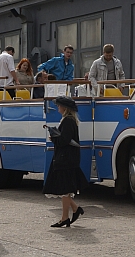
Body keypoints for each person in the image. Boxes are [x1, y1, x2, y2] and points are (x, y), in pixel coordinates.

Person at [42, 96, 88, 227]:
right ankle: (74, 210)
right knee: (65, 188)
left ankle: (64, 218)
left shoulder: (68, 121)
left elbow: (64, 140)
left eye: (59, 105)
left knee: (65, 189)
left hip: (66, 158)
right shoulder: (70, 120)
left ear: (65, 108)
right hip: (68, 158)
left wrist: (53, 138)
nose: (57, 107)